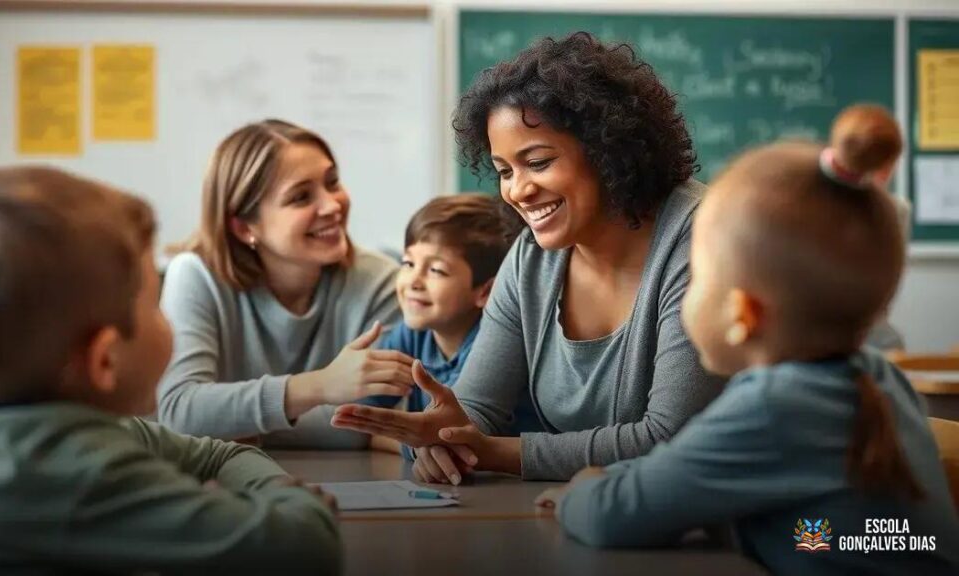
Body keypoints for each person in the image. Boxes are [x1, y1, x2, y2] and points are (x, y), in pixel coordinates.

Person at [536, 130, 959, 574]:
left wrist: (582, 487)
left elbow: (612, 517)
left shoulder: (774, 406)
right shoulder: (874, 378)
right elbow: (687, 483)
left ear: (743, 314)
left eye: (697, 276)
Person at [332, 32, 724, 483]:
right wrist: (445, 436)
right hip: (586, 512)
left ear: (607, 151)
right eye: (504, 171)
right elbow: (477, 408)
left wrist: (495, 453)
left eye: (537, 162)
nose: (517, 190)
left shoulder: (702, 241)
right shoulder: (532, 256)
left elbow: (669, 439)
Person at [0, 167, 341, 574]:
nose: (167, 317)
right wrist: (288, 496)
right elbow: (307, 547)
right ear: (105, 359)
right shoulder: (75, 474)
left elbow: (219, 452)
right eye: (155, 305)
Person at [158, 119, 414, 448]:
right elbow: (180, 412)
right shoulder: (196, 275)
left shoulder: (380, 281)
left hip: (346, 483)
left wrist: (232, 421)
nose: (332, 205)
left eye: (332, 182)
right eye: (301, 197)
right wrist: (320, 387)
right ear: (244, 228)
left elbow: (379, 419)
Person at [367, 194, 541, 455]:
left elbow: (448, 439)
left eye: (436, 270)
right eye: (408, 263)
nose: (414, 281)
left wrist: (377, 439)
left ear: (487, 292)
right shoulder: (410, 336)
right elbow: (361, 416)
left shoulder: (493, 345)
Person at [828, 104, 909, 353]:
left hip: (805, 335)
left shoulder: (804, 199)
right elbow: (886, 289)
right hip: (866, 335)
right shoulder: (895, 210)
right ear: (890, 163)